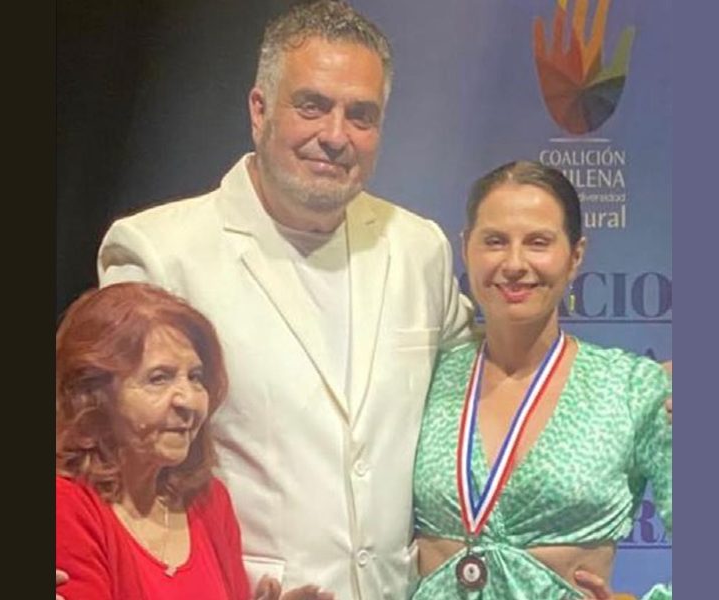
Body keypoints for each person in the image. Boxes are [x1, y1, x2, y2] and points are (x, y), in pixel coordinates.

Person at [92, 2, 473, 598]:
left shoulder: (419, 247)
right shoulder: (161, 251)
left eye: (361, 115)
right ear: (259, 109)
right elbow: (105, 444)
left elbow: (482, 395)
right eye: (312, 105)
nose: (335, 136)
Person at [411, 161, 672, 599]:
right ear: (466, 248)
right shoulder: (424, 378)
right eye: (495, 241)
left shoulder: (630, 388)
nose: (514, 264)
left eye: (538, 242)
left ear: (575, 256)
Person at [56, 282, 333, 600]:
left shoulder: (208, 501)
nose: (188, 400)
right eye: (159, 379)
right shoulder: (66, 507)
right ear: (92, 395)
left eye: (195, 377)